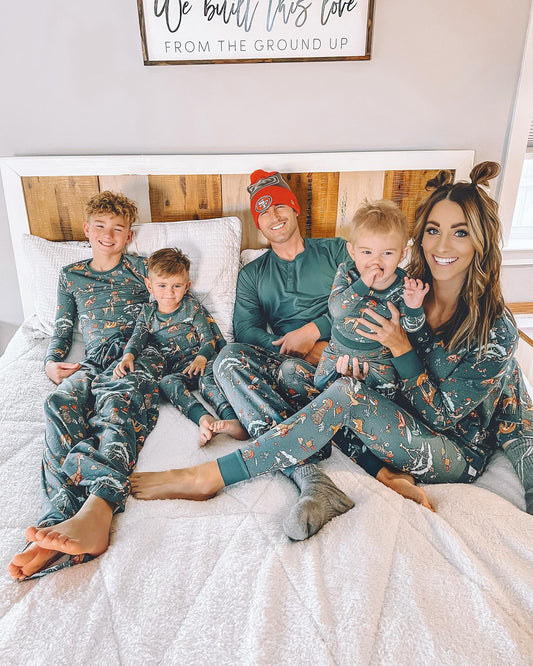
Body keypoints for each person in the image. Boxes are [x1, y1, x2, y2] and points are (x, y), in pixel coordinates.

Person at [129, 162, 533, 521]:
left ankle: (213, 475)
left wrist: (394, 349)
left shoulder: (490, 325)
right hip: (376, 399)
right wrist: (357, 367)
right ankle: (354, 471)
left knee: (345, 396)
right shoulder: (412, 288)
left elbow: (445, 415)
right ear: (420, 239)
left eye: (460, 232)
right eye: (433, 230)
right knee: (290, 375)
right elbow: (325, 325)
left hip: (449, 450)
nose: (442, 246)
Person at [9, 191, 165, 580]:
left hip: (136, 355)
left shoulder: (143, 269)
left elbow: (172, 305)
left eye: (118, 229)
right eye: (100, 226)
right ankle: (57, 518)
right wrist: (51, 362)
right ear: (87, 230)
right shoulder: (72, 275)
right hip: (94, 360)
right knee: (59, 403)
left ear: (129, 236)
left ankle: (100, 505)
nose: (108, 235)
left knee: (114, 402)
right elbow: (63, 330)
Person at [113, 247, 247, 445]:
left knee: (208, 382)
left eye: (176, 286)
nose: (169, 292)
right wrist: (128, 356)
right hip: (179, 370)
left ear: (187, 286)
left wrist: (201, 359)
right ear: (149, 285)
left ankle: (232, 420)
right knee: (167, 383)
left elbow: (208, 338)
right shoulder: (148, 313)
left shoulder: (191, 307)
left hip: (203, 361)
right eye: (162, 285)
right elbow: (137, 337)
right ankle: (204, 419)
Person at [315, 198, 429, 396]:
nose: (375, 261)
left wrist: (414, 306)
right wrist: (362, 284)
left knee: (388, 396)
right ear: (352, 251)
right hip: (338, 351)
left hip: (378, 359)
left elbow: (410, 329)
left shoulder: (404, 285)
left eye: (387, 253)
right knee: (319, 387)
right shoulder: (347, 273)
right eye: (367, 252)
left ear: (403, 254)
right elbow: (336, 310)